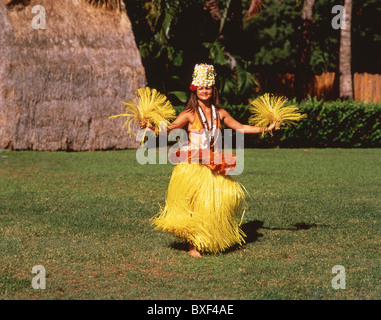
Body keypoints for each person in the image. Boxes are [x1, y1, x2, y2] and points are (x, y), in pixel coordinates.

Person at [143, 63, 278, 257]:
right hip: (194, 165)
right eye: (201, 88)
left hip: (214, 163)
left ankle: (209, 238)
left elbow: (240, 127)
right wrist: (150, 127)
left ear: (213, 89)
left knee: (218, 203)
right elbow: (168, 129)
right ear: (194, 90)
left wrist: (265, 128)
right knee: (193, 204)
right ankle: (193, 245)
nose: (204, 91)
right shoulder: (189, 114)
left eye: (208, 87)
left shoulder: (220, 113)